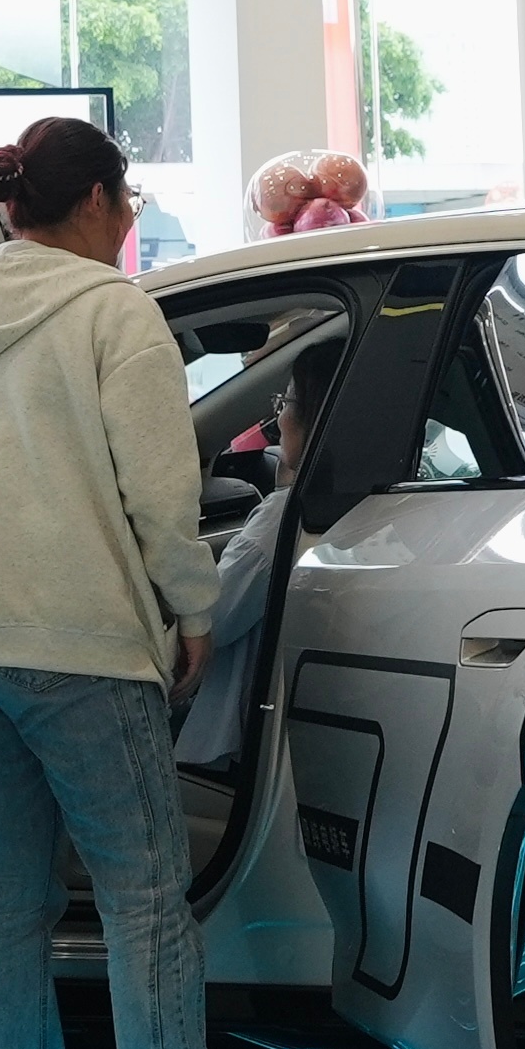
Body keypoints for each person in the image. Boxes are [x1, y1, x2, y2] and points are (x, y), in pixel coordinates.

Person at [0, 114, 314, 1049]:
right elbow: (161, 495)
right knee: (144, 893)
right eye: (127, 197)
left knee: (9, 894)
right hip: (80, 638)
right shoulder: (114, 312)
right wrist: (196, 613)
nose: (130, 216)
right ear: (94, 201)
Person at [174, 327, 339, 774]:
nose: (279, 418)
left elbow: (212, 618)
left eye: (286, 403)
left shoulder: (284, 518)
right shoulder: (357, 504)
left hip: (235, 737)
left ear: (314, 418)